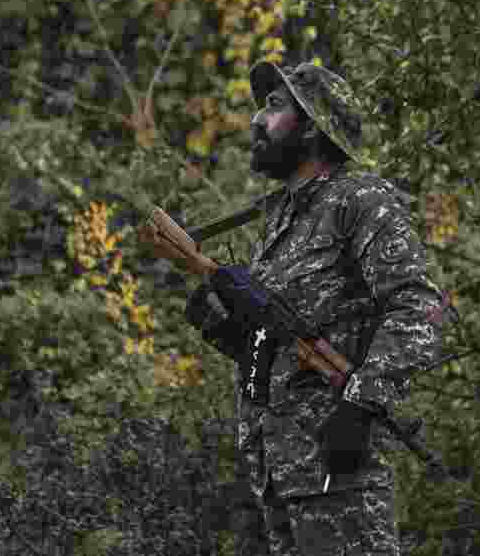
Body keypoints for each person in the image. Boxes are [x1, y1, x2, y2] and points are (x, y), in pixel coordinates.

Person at [185, 59, 444, 555]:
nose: (258, 120)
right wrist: (226, 321)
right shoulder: (282, 215)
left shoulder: (360, 199)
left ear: (311, 128)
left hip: (337, 471)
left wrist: (361, 403)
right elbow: (276, 347)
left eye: (275, 106)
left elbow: (418, 309)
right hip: (279, 470)